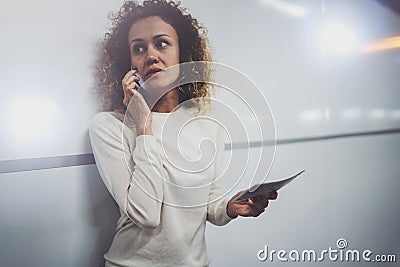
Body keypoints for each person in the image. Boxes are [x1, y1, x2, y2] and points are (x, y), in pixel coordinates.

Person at [89, 0, 278, 266]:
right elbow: (146, 215)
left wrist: (230, 207)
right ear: (129, 63)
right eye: (139, 48)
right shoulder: (109, 126)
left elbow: (209, 203)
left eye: (162, 43)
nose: (150, 55)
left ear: (183, 54)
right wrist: (143, 126)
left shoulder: (206, 119)